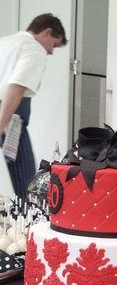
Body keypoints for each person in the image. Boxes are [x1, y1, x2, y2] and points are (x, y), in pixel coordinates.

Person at [0, 14, 67, 198]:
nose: (51, 52)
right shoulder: (34, 49)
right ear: (47, 32)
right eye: (53, 44)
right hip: (9, 119)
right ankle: (27, 224)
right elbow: (16, 87)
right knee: (27, 184)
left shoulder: (5, 42)